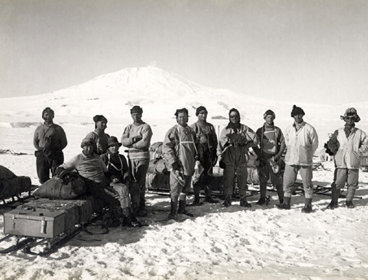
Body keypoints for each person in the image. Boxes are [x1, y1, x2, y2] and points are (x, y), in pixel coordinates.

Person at [56, 138, 122, 226]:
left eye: (90, 146)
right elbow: (61, 168)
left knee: (116, 195)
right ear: (82, 147)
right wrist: (64, 174)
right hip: (88, 183)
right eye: (86, 147)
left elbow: (106, 172)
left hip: (101, 182)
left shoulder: (97, 158)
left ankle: (111, 214)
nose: (89, 149)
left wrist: (112, 177)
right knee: (108, 198)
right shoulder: (78, 158)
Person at [277, 105, 319, 213]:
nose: (298, 117)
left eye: (300, 114)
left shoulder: (309, 129)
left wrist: (307, 154)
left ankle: (308, 205)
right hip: (291, 160)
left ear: (303, 115)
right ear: (293, 116)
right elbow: (287, 143)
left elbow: (315, 144)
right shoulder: (289, 129)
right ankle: (286, 203)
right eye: (296, 115)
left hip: (305, 161)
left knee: (307, 183)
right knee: (287, 182)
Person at [326, 108, 368, 209]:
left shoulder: (360, 133)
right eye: (348, 118)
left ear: (355, 119)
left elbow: (366, 144)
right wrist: (335, 151)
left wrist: (358, 152)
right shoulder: (338, 132)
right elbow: (331, 143)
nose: (350, 120)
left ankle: (349, 201)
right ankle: (334, 201)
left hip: (353, 162)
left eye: (352, 118)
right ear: (344, 119)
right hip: (341, 162)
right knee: (337, 182)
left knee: (352, 183)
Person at [217, 108, 259, 207]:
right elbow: (219, 145)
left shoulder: (244, 129)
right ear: (229, 117)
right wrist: (220, 158)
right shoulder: (226, 130)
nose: (234, 118)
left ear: (239, 117)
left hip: (241, 154)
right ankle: (228, 199)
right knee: (228, 179)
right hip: (229, 155)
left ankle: (243, 199)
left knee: (242, 178)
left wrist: (246, 146)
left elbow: (256, 139)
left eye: (236, 116)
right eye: (232, 116)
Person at [163, 108, 197, 219]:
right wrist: (173, 163)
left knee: (185, 188)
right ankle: (173, 212)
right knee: (175, 188)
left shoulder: (191, 131)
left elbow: (195, 146)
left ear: (188, 117)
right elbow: (167, 148)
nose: (182, 118)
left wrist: (197, 157)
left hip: (189, 164)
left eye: (184, 116)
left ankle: (182, 209)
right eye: (180, 116)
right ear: (177, 118)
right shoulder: (173, 131)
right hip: (177, 165)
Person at [101, 136, 141, 227]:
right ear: (108, 148)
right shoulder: (104, 158)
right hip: (110, 183)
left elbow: (126, 170)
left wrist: (126, 178)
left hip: (122, 180)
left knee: (134, 187)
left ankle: (134, 211)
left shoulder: (122, 157)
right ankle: (127, 217)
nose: (114, 148)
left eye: (115, 146)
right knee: (123, 189)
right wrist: (112, 178)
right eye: (111, 146)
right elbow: (101, 173)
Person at [121, 106, 153, 217]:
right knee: (132, 181)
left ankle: (141, 205)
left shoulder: (146, 127)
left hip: (142, 157)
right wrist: (133, 139)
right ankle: (135, 203)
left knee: (140, 181)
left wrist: (131, 145)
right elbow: (123, 141)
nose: (136, 116)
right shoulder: (128, 127)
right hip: (131, 158)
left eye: (138, 114)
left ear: (141, 114)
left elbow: (144, 143)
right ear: (131, 115)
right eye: (133, 114)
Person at [253, 109, 286, 205]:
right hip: (263, 158)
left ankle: (282, 199)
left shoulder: (277, 130)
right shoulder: (260, 131)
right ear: (265, 118)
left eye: (271, 117)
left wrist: (278, 156)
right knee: (262, 179)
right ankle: (262, 198)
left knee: (277, 180)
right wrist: (259, 155)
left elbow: (283, 143)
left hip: (274, 159)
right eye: (268, 117)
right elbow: (254, 143)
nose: (270, 119)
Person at [190, 106, 218, 205]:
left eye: (205, 113)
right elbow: (191, 143)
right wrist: (195, 156)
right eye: (201, 113)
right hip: (199, 154)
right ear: (197, 114)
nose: (203, 115)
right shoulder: (193, 127)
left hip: (209, 154)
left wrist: (215, 154)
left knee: (208, 175)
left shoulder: (210, 127)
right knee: (197, 176)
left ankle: (208, 196)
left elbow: (215, 141)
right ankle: (196, 198)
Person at [33, 107, 68, 183]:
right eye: (46, 114)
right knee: (42, 177)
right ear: (43, 116)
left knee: (57, 176)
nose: (48, 116)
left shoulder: (58, 129)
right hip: (42, 156)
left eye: (50, 114)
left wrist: (55, 150)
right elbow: (35, 142)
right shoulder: (39, 128)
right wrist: (41, 150)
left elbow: (64, 142)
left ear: (53, 116)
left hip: (55, 155)